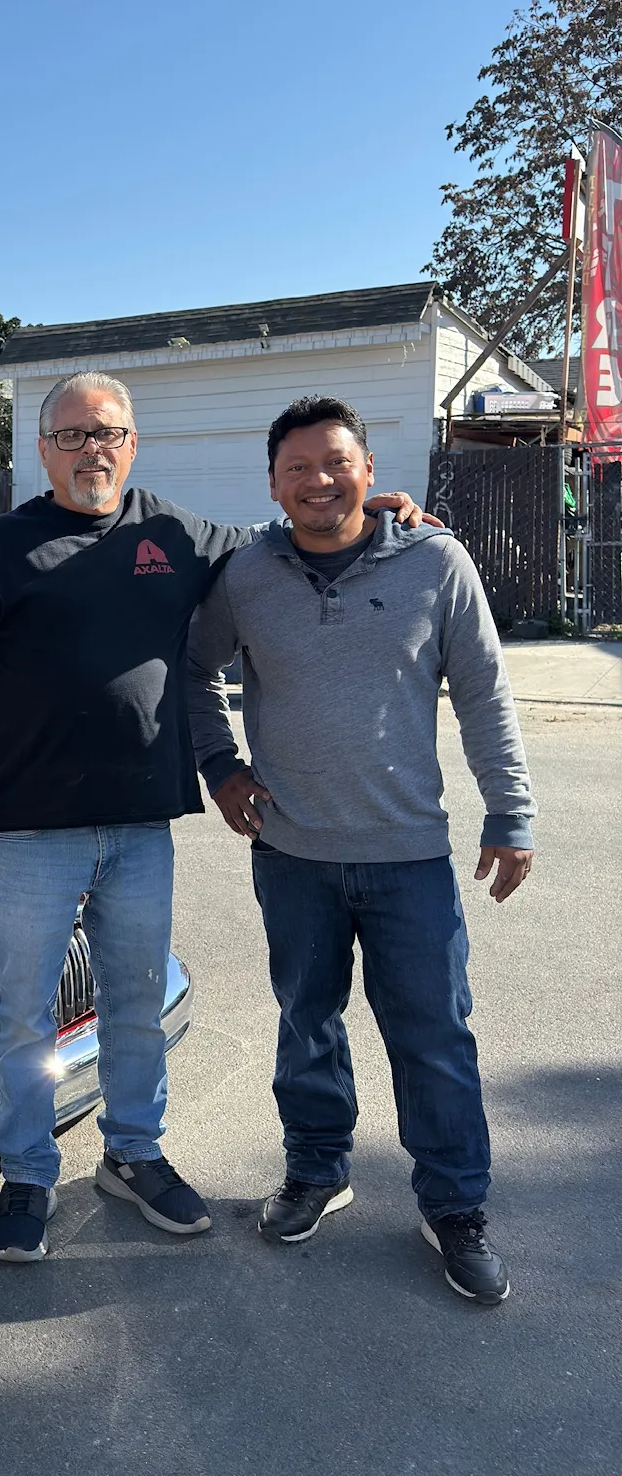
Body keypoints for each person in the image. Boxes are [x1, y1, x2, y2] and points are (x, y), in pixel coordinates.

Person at [0, 371, 433, 1265]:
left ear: (132, 443)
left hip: (140, 829)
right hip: (30, 830)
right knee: (27, 1017)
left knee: (136, 1004)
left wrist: (368, 513)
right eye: (72, 435)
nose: (92, 450)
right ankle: (28, 1173)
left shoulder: (177, 534)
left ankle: (133, 1153)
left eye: (107, 433)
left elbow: (287, 536)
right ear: (44, 449)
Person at [185, 394, 534, 1306]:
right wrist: (221, 764)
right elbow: (192, 670)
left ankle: (455, 1208)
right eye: (297, 467)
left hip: (408, 854)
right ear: (273, 484)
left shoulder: (436, 561)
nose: (319, 481)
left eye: (336, 462)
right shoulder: (246, 574)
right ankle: (316, 1169)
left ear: (370, 472)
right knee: (307, 1022)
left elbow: (485, 694)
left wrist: (511, 811)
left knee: (435, 1038)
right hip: (291, 853)